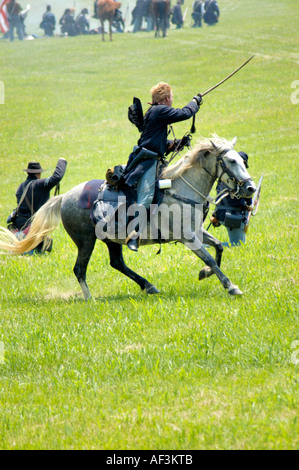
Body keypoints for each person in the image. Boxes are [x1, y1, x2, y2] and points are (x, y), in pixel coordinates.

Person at [123, 82, 202, 252]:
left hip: (154, 159)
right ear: (166, 98)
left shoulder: (156, 111)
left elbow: (156, 142)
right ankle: (134, 234)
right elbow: (185, 113)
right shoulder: (159, 110)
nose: (172, 100)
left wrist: (175, 144)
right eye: (172, 97)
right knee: (147, 195)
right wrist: (195, 102)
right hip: (148, 162)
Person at [7, 159, 67, 253]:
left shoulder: (20, 187)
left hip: (20, 226)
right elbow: (57, 177)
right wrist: (62, 162)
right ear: (39, 173)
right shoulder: (40, 184)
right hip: (32, 229)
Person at [209, 152, 252, 246]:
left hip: (220, 213)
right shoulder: (239, 179)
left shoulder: (225, 176)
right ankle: (208, 246)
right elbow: (248, 196)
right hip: (232, 215)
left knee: (240, 242)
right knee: (238, 244)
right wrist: (249, 205)